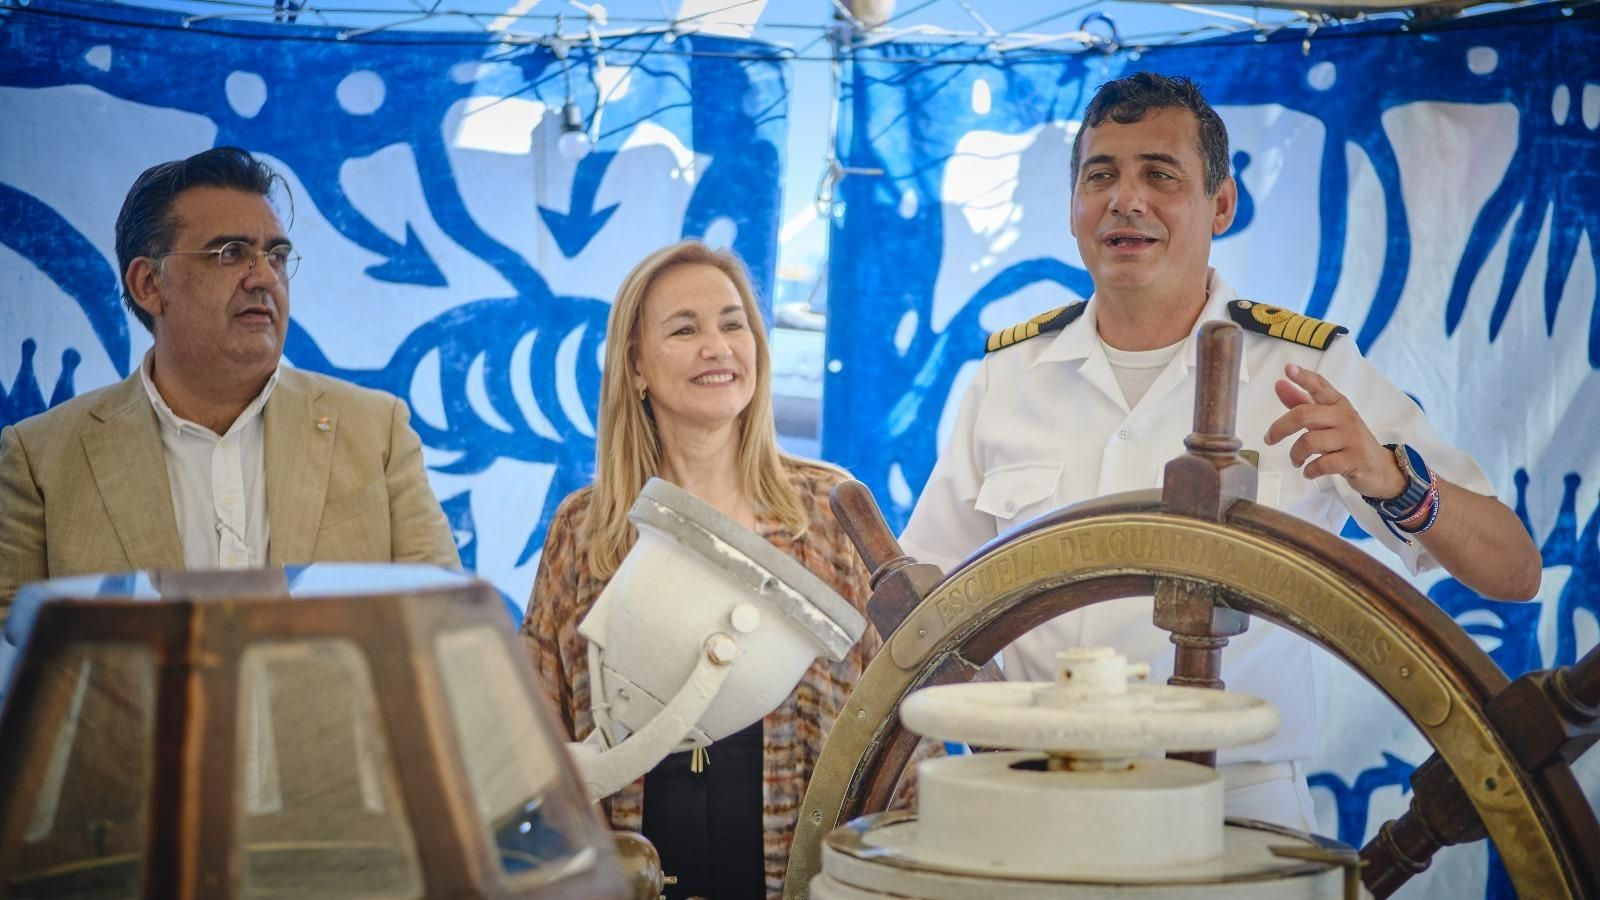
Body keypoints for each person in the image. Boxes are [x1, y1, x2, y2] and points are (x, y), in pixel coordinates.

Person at [898, 72, 1541, 833]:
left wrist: (1391, 476)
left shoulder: (1307, 370)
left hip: (1233, 807)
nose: (1124, 199)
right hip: (1032, 797)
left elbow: (1513, 570)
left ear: (1222, 204)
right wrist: (1003, 732)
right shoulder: (1006, 376)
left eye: (1159, 175)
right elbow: (928, 594)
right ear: (1072, 208)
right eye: (1099, 175)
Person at [520, 240, 877, 899]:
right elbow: (534, 719)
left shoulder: (832, 514)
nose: (717, 346)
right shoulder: (586, 526)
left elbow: (895, 719)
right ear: (635, 366)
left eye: (733, 323)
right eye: (685, 329)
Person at [0, 147, 460, 625]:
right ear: (148, 284)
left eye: (276, 255)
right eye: (231, 253)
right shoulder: (41, 460)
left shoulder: (376, 433)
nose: (264, 277)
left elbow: (445, 622)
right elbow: (11, 659)